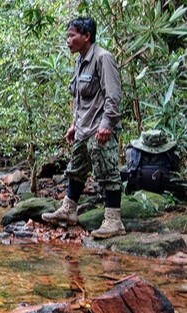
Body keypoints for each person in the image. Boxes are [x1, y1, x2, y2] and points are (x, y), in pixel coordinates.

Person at [42, 17, 125, 239]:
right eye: (67, 36)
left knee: (108, 173)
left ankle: (114, 220)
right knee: (76, 170)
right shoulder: (80, 61)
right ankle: (69, 210)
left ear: (86, 36)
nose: (68, 40)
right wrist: (73, 125)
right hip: (83, 128)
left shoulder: (103, 58)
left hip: (99, 128)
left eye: (72, 36)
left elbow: (113, 95)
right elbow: (79, 100)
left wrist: (107, 124)